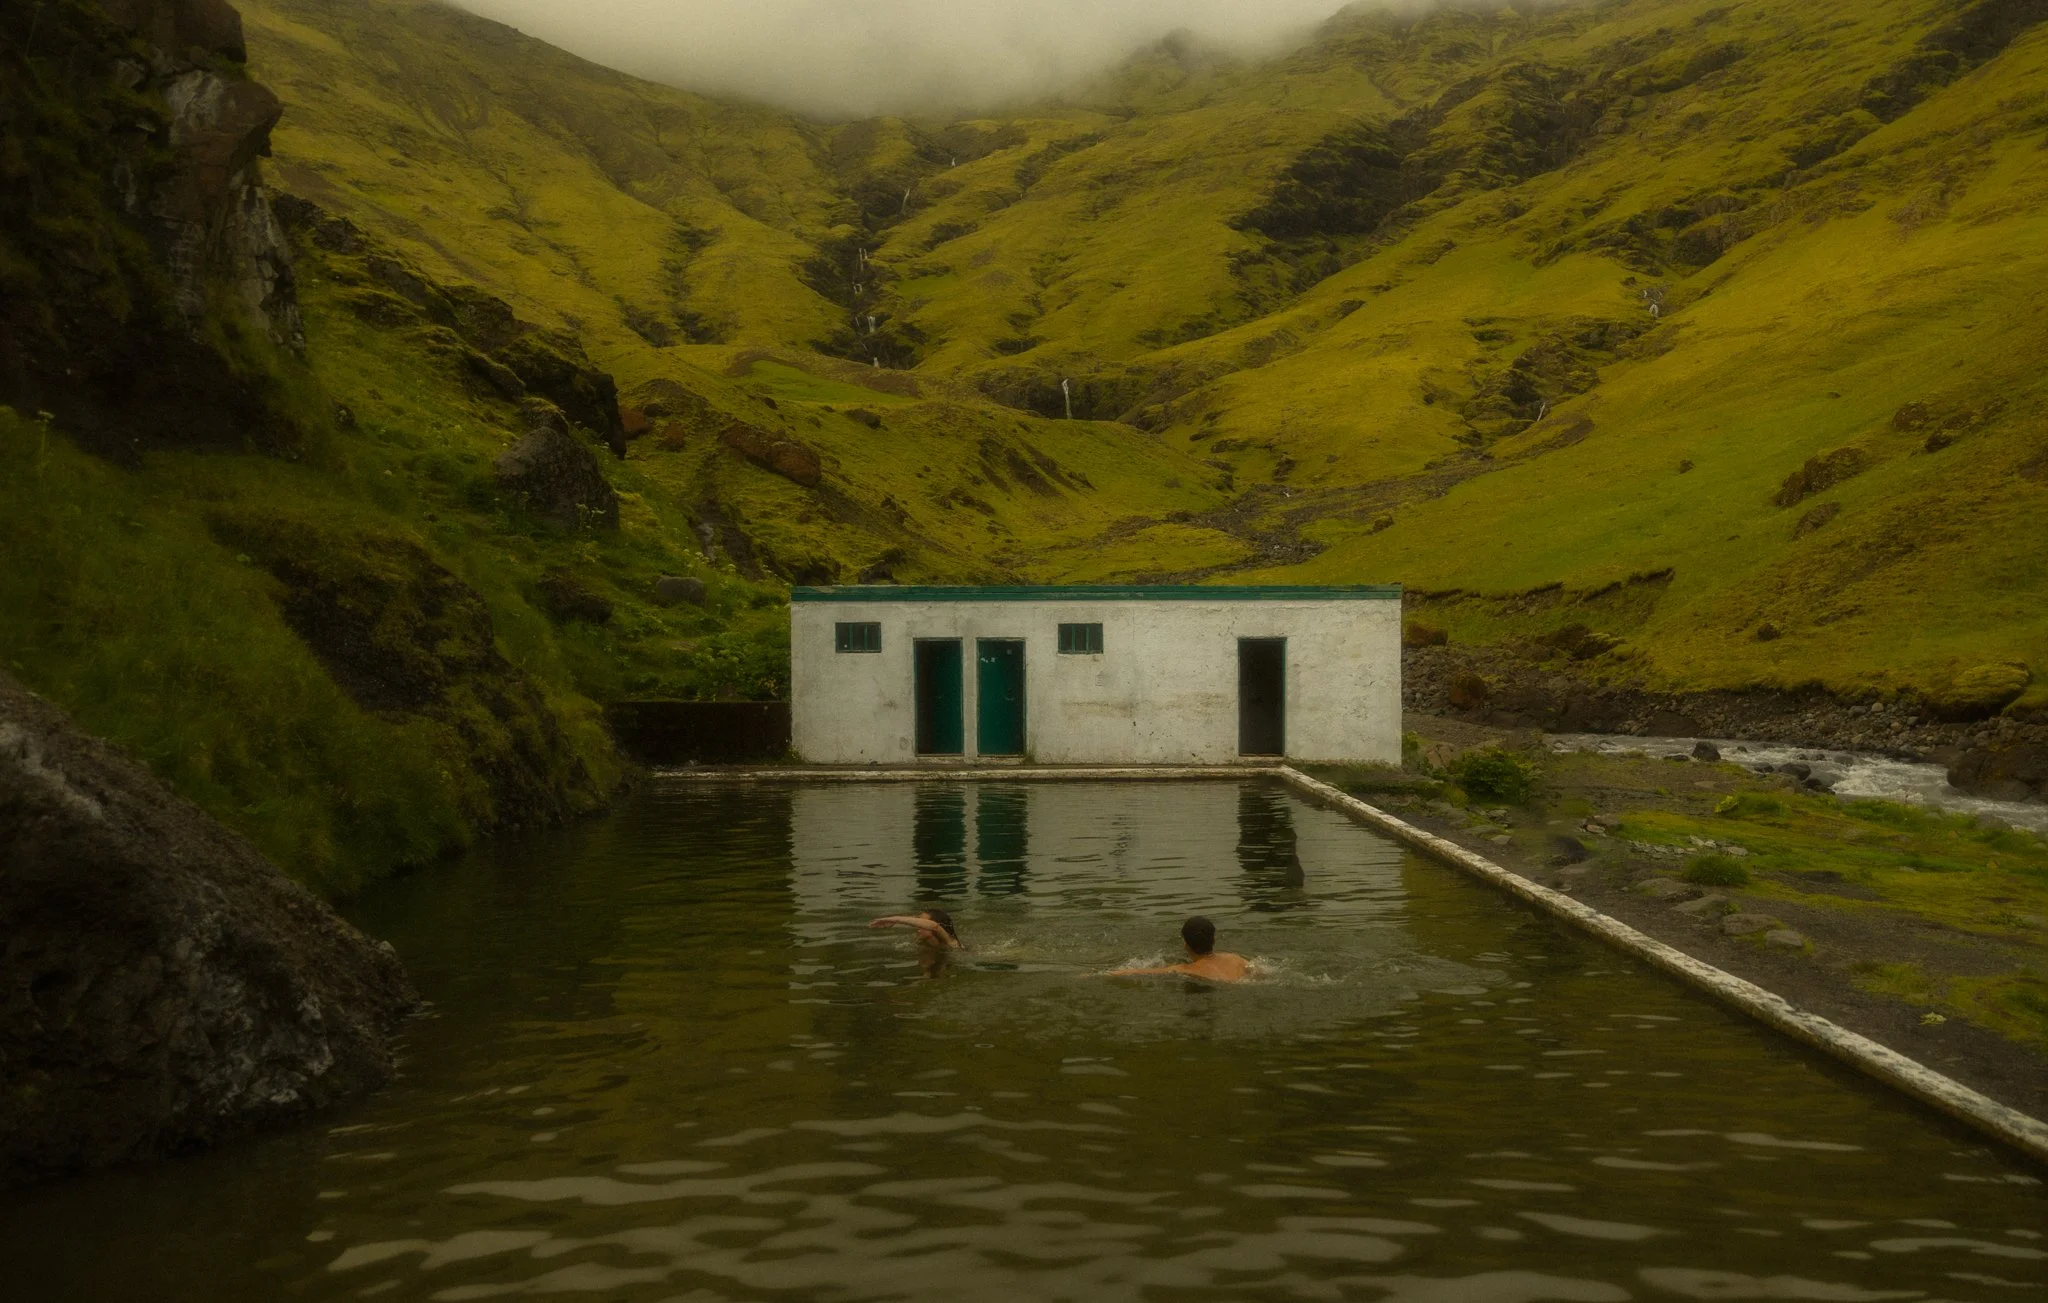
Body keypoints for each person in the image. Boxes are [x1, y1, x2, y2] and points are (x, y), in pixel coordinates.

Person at [1108, 916, 1250, 982]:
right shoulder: (1235, 958)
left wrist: (1107, 973)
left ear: (1185, 945)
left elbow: (1140, 971)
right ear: (1214, 939)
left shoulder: (1185, 969)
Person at [869, 908, 962, 950]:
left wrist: (895, 919)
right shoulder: (923, 942)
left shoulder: (951, 943)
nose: (918, 929)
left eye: (923, 925)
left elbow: (934, 926)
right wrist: (895, 923)